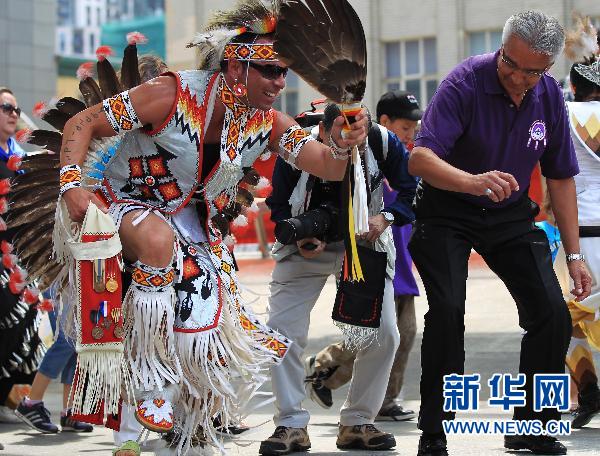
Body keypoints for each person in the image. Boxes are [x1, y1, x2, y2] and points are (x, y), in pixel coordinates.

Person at [53, 3, 368, 455]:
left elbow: (326, 166)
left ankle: (189, 423)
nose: (281, 84)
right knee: (159, 241)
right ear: (236, 65)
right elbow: (82, 122)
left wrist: (340, 142)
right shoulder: (169, 94)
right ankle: (148, 378)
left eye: (285, 74)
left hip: (190, 219)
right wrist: (71, 186)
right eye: (271, 72)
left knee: (205, 322)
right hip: (117, 199)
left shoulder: (266, 120)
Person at [407, 11, 591, 456]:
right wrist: (471, 180)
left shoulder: (547, 95)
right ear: (502, 48)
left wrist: (574, 255)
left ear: (548, 66)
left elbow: (561, 178)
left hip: (508, 215)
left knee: (552, 314)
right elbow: (420, 159)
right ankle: (435, 429)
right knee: (448, 311)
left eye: (534, 70)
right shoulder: (464, 82)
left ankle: (532, 426)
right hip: (446, 211)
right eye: (513, 64)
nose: (520, 78)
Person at [259, 102, 417, 455]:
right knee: (280, 332)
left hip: (364, 241)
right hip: (305, 250)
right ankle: (290, 424)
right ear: (323, 130)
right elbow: (279, 203)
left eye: (358, 137)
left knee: (384, 334)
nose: (351, 145)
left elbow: (411, 189)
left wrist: (386, 218)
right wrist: (300, 235)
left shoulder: (382, 141)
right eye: (343, 139)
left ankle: (358, 421)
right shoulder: (296, 144)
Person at [303, 90, 421, 422]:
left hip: (397, 257)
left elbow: (409, 203)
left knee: (393, 331)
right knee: (381, 330)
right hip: (369, 257)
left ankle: (369, 393)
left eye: (414, 128)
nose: (411, 134)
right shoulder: (360, 155)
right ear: (382, 122)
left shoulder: (397, 156)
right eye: (406, 127)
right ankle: (331, 370)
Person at [557, 20, 600, 429]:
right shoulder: (573, 110)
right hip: (588, 233)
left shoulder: (562, 110)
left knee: (567, 319)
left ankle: (587, 391)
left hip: (577, 234)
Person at [0, 87, 45, 425]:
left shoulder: (21, 156)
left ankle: (11, 398)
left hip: (21, 254)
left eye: (16, 108)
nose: (13, 113)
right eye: (5, 108)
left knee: (26, 324)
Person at [15, 285, 93, 434]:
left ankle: (70, 411)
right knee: (66, 340)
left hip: (77, 273)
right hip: (57, 271)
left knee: (77, 342)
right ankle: (31, 403)